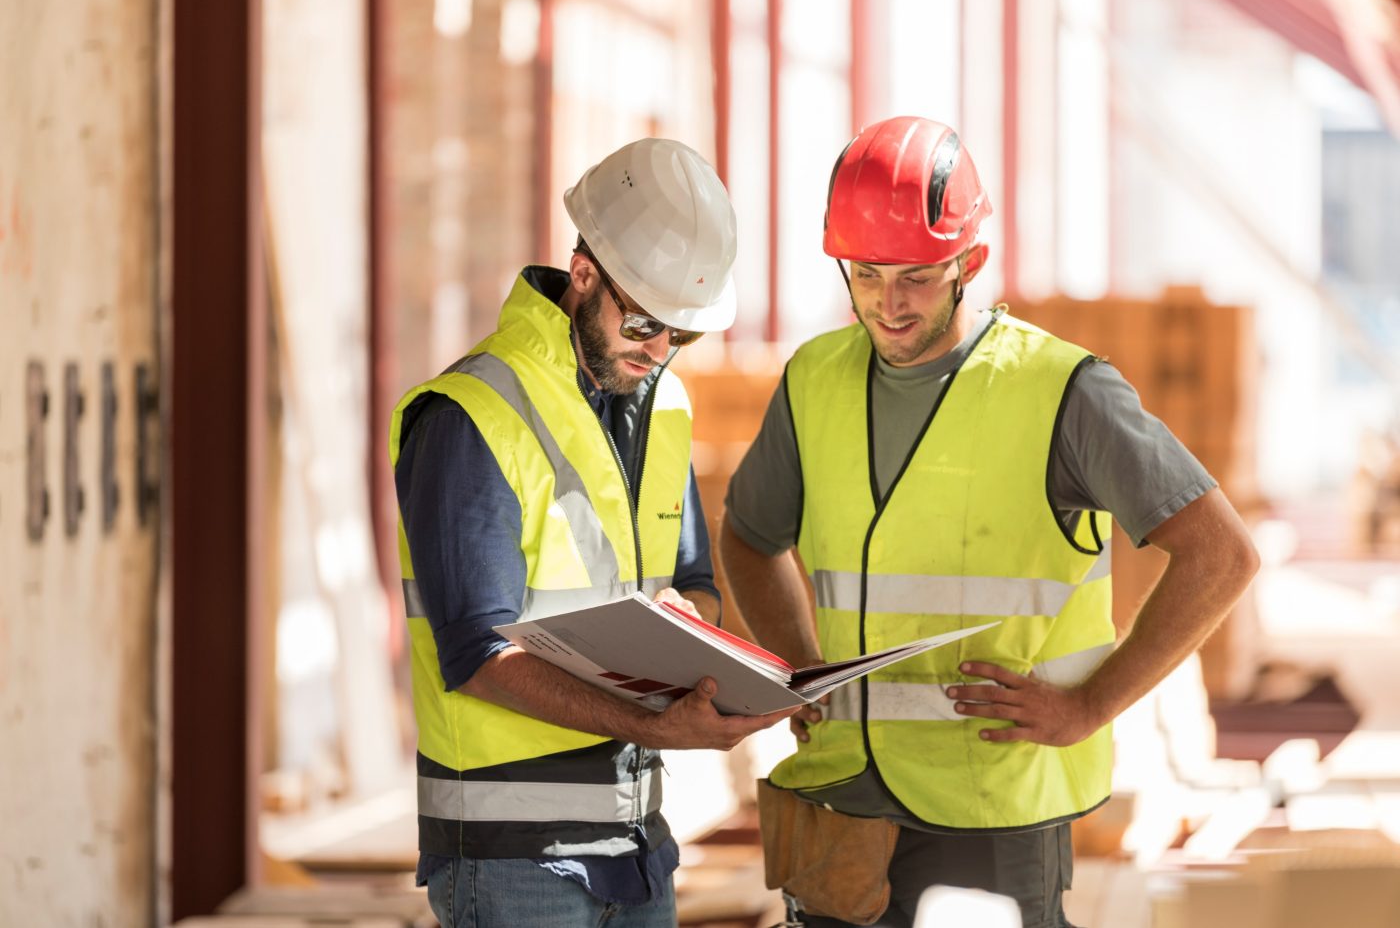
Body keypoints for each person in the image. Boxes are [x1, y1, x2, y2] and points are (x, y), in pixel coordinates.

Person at [719, 116, 1260, 928]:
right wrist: (799, 673)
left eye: (917, 278)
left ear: (969, 262)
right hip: (841, 806)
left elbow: (1222, 556)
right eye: (865, 274)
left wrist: (1089, 708)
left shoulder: (1062, 392)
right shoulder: (812, 381)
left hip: (993, 812)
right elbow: (749, 537)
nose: (888, 305)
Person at [390, 137, 797, 928]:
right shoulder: (473, 416)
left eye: (681, 334)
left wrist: (700, 643)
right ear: (584, 276)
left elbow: (695, 585)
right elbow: (477, 656)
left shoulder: (662, 406)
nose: (659, 351)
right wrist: (655, 722)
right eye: (644, 322)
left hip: (640, 844)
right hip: (514, 863)